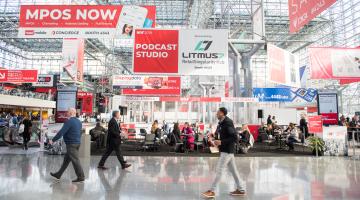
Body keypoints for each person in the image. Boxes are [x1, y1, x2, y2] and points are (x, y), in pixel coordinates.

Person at [202, 107, 245, 198]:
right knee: (234, 171)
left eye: (218, 112)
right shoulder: (221, 123)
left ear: (222, 113)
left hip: (227, 150)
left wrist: (222, 142)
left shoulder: (228, 122)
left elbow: (234, 137)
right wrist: (213, 135)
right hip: (225, 150)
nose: (216, 114)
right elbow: (221, 133)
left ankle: (212, 191)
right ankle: (241, 189)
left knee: (219, 170)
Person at [49, 108, 85, 183]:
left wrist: (52, 140)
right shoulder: (79, 122)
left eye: (68, 112)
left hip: (71, 144)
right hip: (77, 143)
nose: (66, 113)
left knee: (75, 161)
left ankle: (81, 177)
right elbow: (80, 132)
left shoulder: (68, 121)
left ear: (71, 113)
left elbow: (61, 132)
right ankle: (58, 174)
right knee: (66, 161)